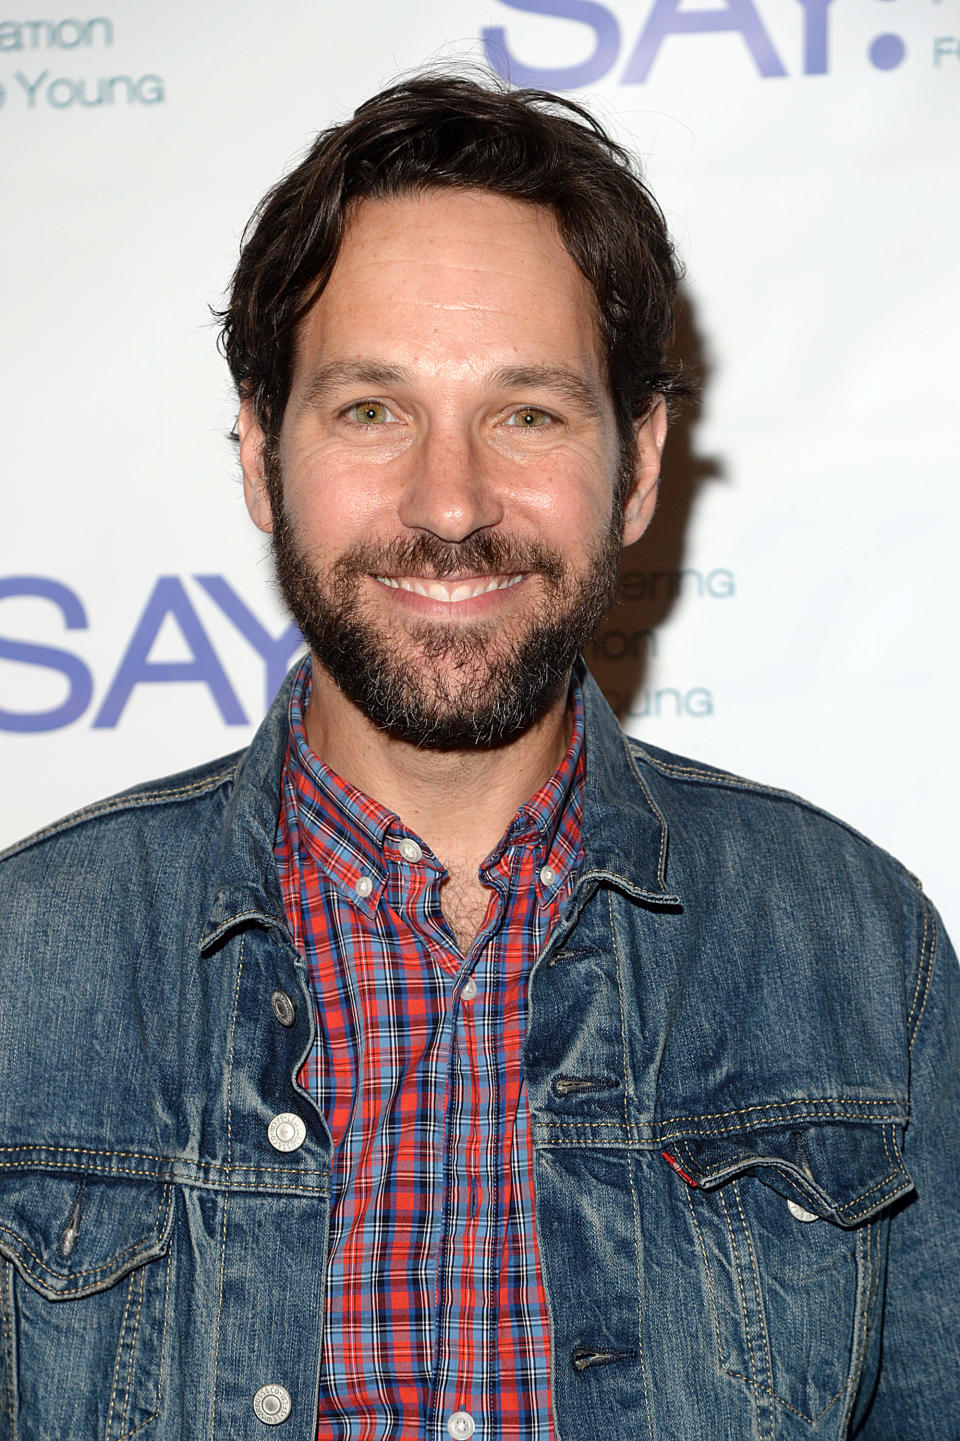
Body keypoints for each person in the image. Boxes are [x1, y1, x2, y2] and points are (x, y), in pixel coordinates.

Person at [0, 72, 956, 1441]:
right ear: (262, 456)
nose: (450, 504)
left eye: (527, 413)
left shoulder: (864, 957)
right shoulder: (25, 965)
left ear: (636, 466)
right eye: (373, 410)